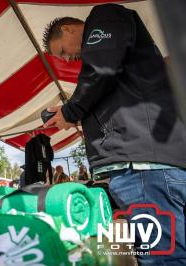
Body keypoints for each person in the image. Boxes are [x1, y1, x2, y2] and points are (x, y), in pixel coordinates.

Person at [42, 4, 186, 265]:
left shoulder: (104, 16)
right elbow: (104, 76)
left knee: (161, 258)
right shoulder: (118, 58)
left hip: (143, 167)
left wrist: (71, 110)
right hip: (150, 164)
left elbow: (100, 70)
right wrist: (72, 110)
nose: (67, 59)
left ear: (67, 28)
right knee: (169, 252)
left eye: (62, 51)